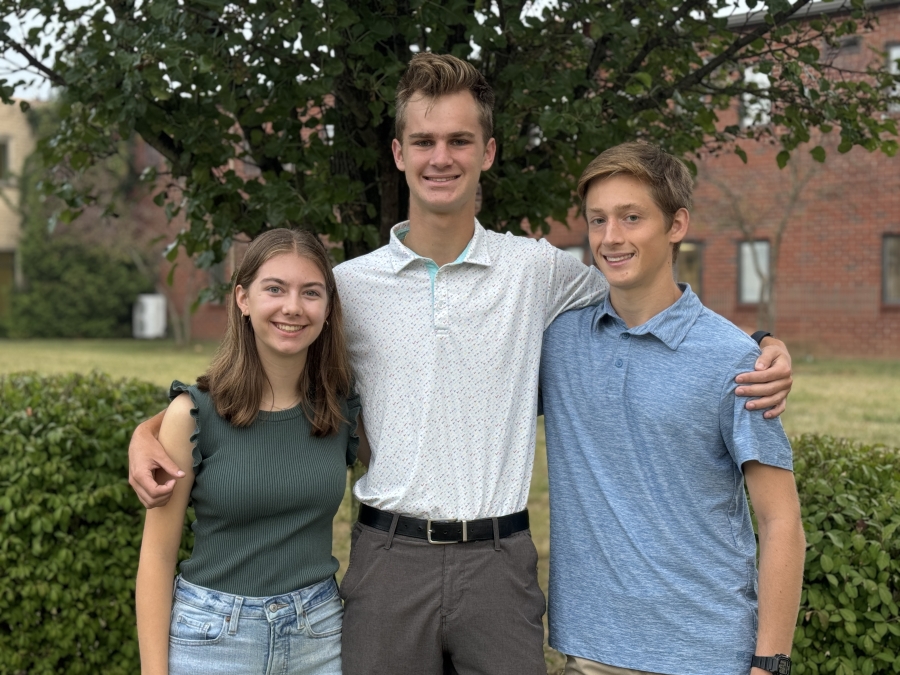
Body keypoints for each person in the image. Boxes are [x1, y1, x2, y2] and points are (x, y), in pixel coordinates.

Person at [130, 55, 794, 675]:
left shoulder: (536, 270)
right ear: (398, 152)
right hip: (387, 559)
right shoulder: (345, 288)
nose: (440, 157)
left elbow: (650, 291)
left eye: (458, 141)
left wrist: (760, 342)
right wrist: (159, 424)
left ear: (488, 153)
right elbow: (268, 376)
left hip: (499, 564)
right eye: (423, 141)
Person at [539, 143, 805, 675]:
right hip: (590, 651)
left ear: (676, 224)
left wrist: (769, 663)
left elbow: (782, 521)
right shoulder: (560, 342)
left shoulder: (736, 360)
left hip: (704, 652)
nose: (610, 237)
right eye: (598, 220)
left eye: (631, 217)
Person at [135, 229, 360, 675]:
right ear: (243, 298)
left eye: (310, 292)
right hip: (212, 638)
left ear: (328, 307)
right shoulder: (193, 415)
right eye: (274, 288)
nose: (293, 307)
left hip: (318, 634)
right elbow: (157, 557)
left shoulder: (340, 409)